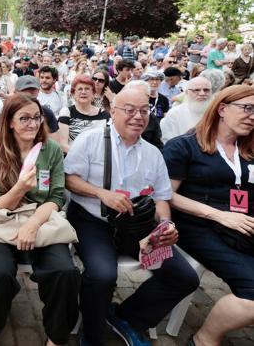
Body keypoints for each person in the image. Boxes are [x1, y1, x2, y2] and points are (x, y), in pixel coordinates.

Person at [64, 88, 199, 346]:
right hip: (93, 222)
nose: (138, 116)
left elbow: (161, 197)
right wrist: (101, 193)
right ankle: (92, 334)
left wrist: (165, 225)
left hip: (138, 227)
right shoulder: (90, 139)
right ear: (113, 111)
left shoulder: (153, 153)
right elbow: (69, 179)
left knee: (185, 277)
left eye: (144, 110)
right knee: (102, 275)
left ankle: (126, 316)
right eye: (130, 110)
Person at [0, 93, 80, 346]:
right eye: (24, 118)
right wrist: (20, 188)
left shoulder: (50, 150)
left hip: (42, 220)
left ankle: (56, 337)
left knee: (65, 272)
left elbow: (55, 197)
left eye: (36, 118)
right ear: (9, 121)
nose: (32, 124)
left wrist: (32, 225)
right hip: (5, 220)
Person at [163, 85, 254, 346]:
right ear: (223, 109)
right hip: (198, 226)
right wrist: (219, 215)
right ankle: (204, 339)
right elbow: (166, 195)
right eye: (247, 108)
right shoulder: (185, 146)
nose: (253, 116)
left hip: (242, 225)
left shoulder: (248, 150)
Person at [57, 75, 110, 154]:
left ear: (94, 93)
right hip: (73, 159)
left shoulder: (104, 115)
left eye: (87, 89)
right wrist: (84, 156)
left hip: (98, 160)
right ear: (73, 94)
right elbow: (63, 144)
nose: (83, 92)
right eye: (80, 89)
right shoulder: (66, 112)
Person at [161, 76, 213, 143]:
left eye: (206, 90)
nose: (202, 93)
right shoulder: (175, 114)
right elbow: (170, 142)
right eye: (196, 90)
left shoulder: (217, 112)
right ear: (186, 93)